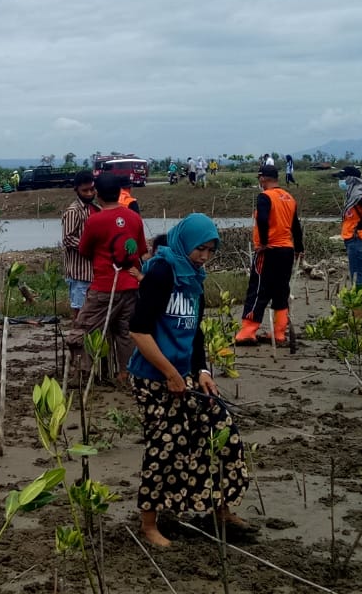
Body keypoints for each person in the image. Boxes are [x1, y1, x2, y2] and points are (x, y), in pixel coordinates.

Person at [128, 213, 250, 547]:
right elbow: (138, 331)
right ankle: (149, 525)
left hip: (183, 374)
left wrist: (203, 371)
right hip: (153, 376)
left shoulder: (194, 275)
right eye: (200, 249)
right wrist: (168, 373)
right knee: (165, 447)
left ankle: (219, 508)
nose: (204, 257)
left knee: (222, 432)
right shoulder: (161, 272)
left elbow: (194, 330)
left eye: (211, 251)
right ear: (185, 242)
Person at [66, 172, 147, 382]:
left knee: (82, 329)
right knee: (125, 333)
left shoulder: (95, 220)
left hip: (103, 287)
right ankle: (126, 374)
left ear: (98, 195)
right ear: (120, 193)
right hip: (130, 285)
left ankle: (82, 374)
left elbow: (84, 250)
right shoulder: (134, 217)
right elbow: (141, 251)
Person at [235, 164, 304, 346]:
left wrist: (264, 243)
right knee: (281, 291)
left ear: (263, 178)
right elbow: (296, 225)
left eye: (260, 178)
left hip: (269, 250)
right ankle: (279, 333)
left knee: (258, 289)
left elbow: (263, 219)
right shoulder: (289, 198)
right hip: (286, 251)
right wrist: (299, 248)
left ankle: (247, 332)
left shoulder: (265, 197)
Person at [61, 172, 100, 318]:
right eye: (85, 190)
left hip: (94, 270)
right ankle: (78, 337)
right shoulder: (73, 211)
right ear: (77, 190)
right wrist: (90, 248)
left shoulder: (95, 209)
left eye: (92, 189)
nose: (89, 193)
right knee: (80, 310)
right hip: (80, 271)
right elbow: (68, 238)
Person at [334, 166, 362, 290]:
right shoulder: (352, 196)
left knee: (356, 272)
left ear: (352, 180)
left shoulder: (359, 196)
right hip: (352, 238)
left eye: (343, 178)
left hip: (358, 238)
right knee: (360, 270)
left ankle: (360, 300)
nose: (341, 181)